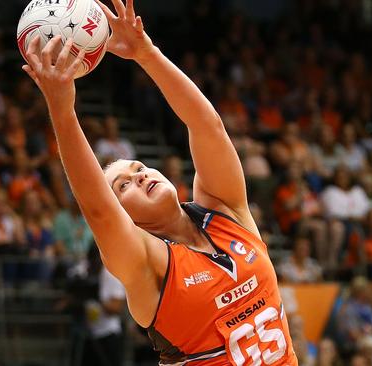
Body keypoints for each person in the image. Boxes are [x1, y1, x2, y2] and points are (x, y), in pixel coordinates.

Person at [21, 0, 298, 364]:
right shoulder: (147, 263)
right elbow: (99, 211)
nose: (139, 176)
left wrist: (146, 54)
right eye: (123, 186)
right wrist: (62, 109)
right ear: (127, 219)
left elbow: (207, 127)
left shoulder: (225, 210)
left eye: (138, 168)